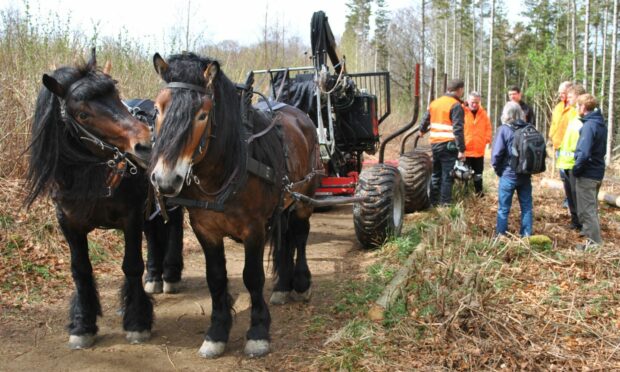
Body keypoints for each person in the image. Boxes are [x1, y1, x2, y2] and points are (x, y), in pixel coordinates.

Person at [419, 79, 466, 206]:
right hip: (448, 145)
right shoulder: (455, 105)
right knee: (447, 175)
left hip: (435, 144)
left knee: (436, 174)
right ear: (459, 90)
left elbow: (425, 119)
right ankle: (445, 203)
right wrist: (461, 149)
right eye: (462, 90)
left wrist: (421, 131)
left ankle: (433, 202)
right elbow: (458, 128)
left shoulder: (435, 103)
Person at [491, 101, 533, 237]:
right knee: (526, 207)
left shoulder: (504, 129)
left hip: (508, 175)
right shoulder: (529, 128)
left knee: (503, 209)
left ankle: (500, 236)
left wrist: (499, 171)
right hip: (525, 175)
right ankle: (526, 235)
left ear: (506, 114)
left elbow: (496, 155)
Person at [573, 94, 607, 249]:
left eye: (577, 106)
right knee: (590, 208)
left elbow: (584, 152)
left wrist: (577, 168)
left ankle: (594, 243)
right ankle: (589, 238)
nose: (576, 109)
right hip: (597, 171)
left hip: (588, 173)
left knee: (587, 210)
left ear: (583, 107)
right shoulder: (600, 123)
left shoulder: (589, 126)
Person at [555, 84, 586, 231]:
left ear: (579, 97)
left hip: (575, 163)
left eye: (571, 96)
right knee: (570, 194)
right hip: (566, 162)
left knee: (577, 194)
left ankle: (582, 223)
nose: (568, 98)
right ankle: (575, 221)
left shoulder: (583, 116)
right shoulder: (572, 113)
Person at [462, 91, 492, 196]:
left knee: (478, 174)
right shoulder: (462, 111)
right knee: (464, 174)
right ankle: (464, 194)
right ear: (468, 101)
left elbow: (488, 128)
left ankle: (479, 193)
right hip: (465, 151)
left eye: (477, 102)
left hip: (479, 150)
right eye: (472, 102)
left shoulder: (483, 114)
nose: (474, 104)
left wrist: (486, 140)